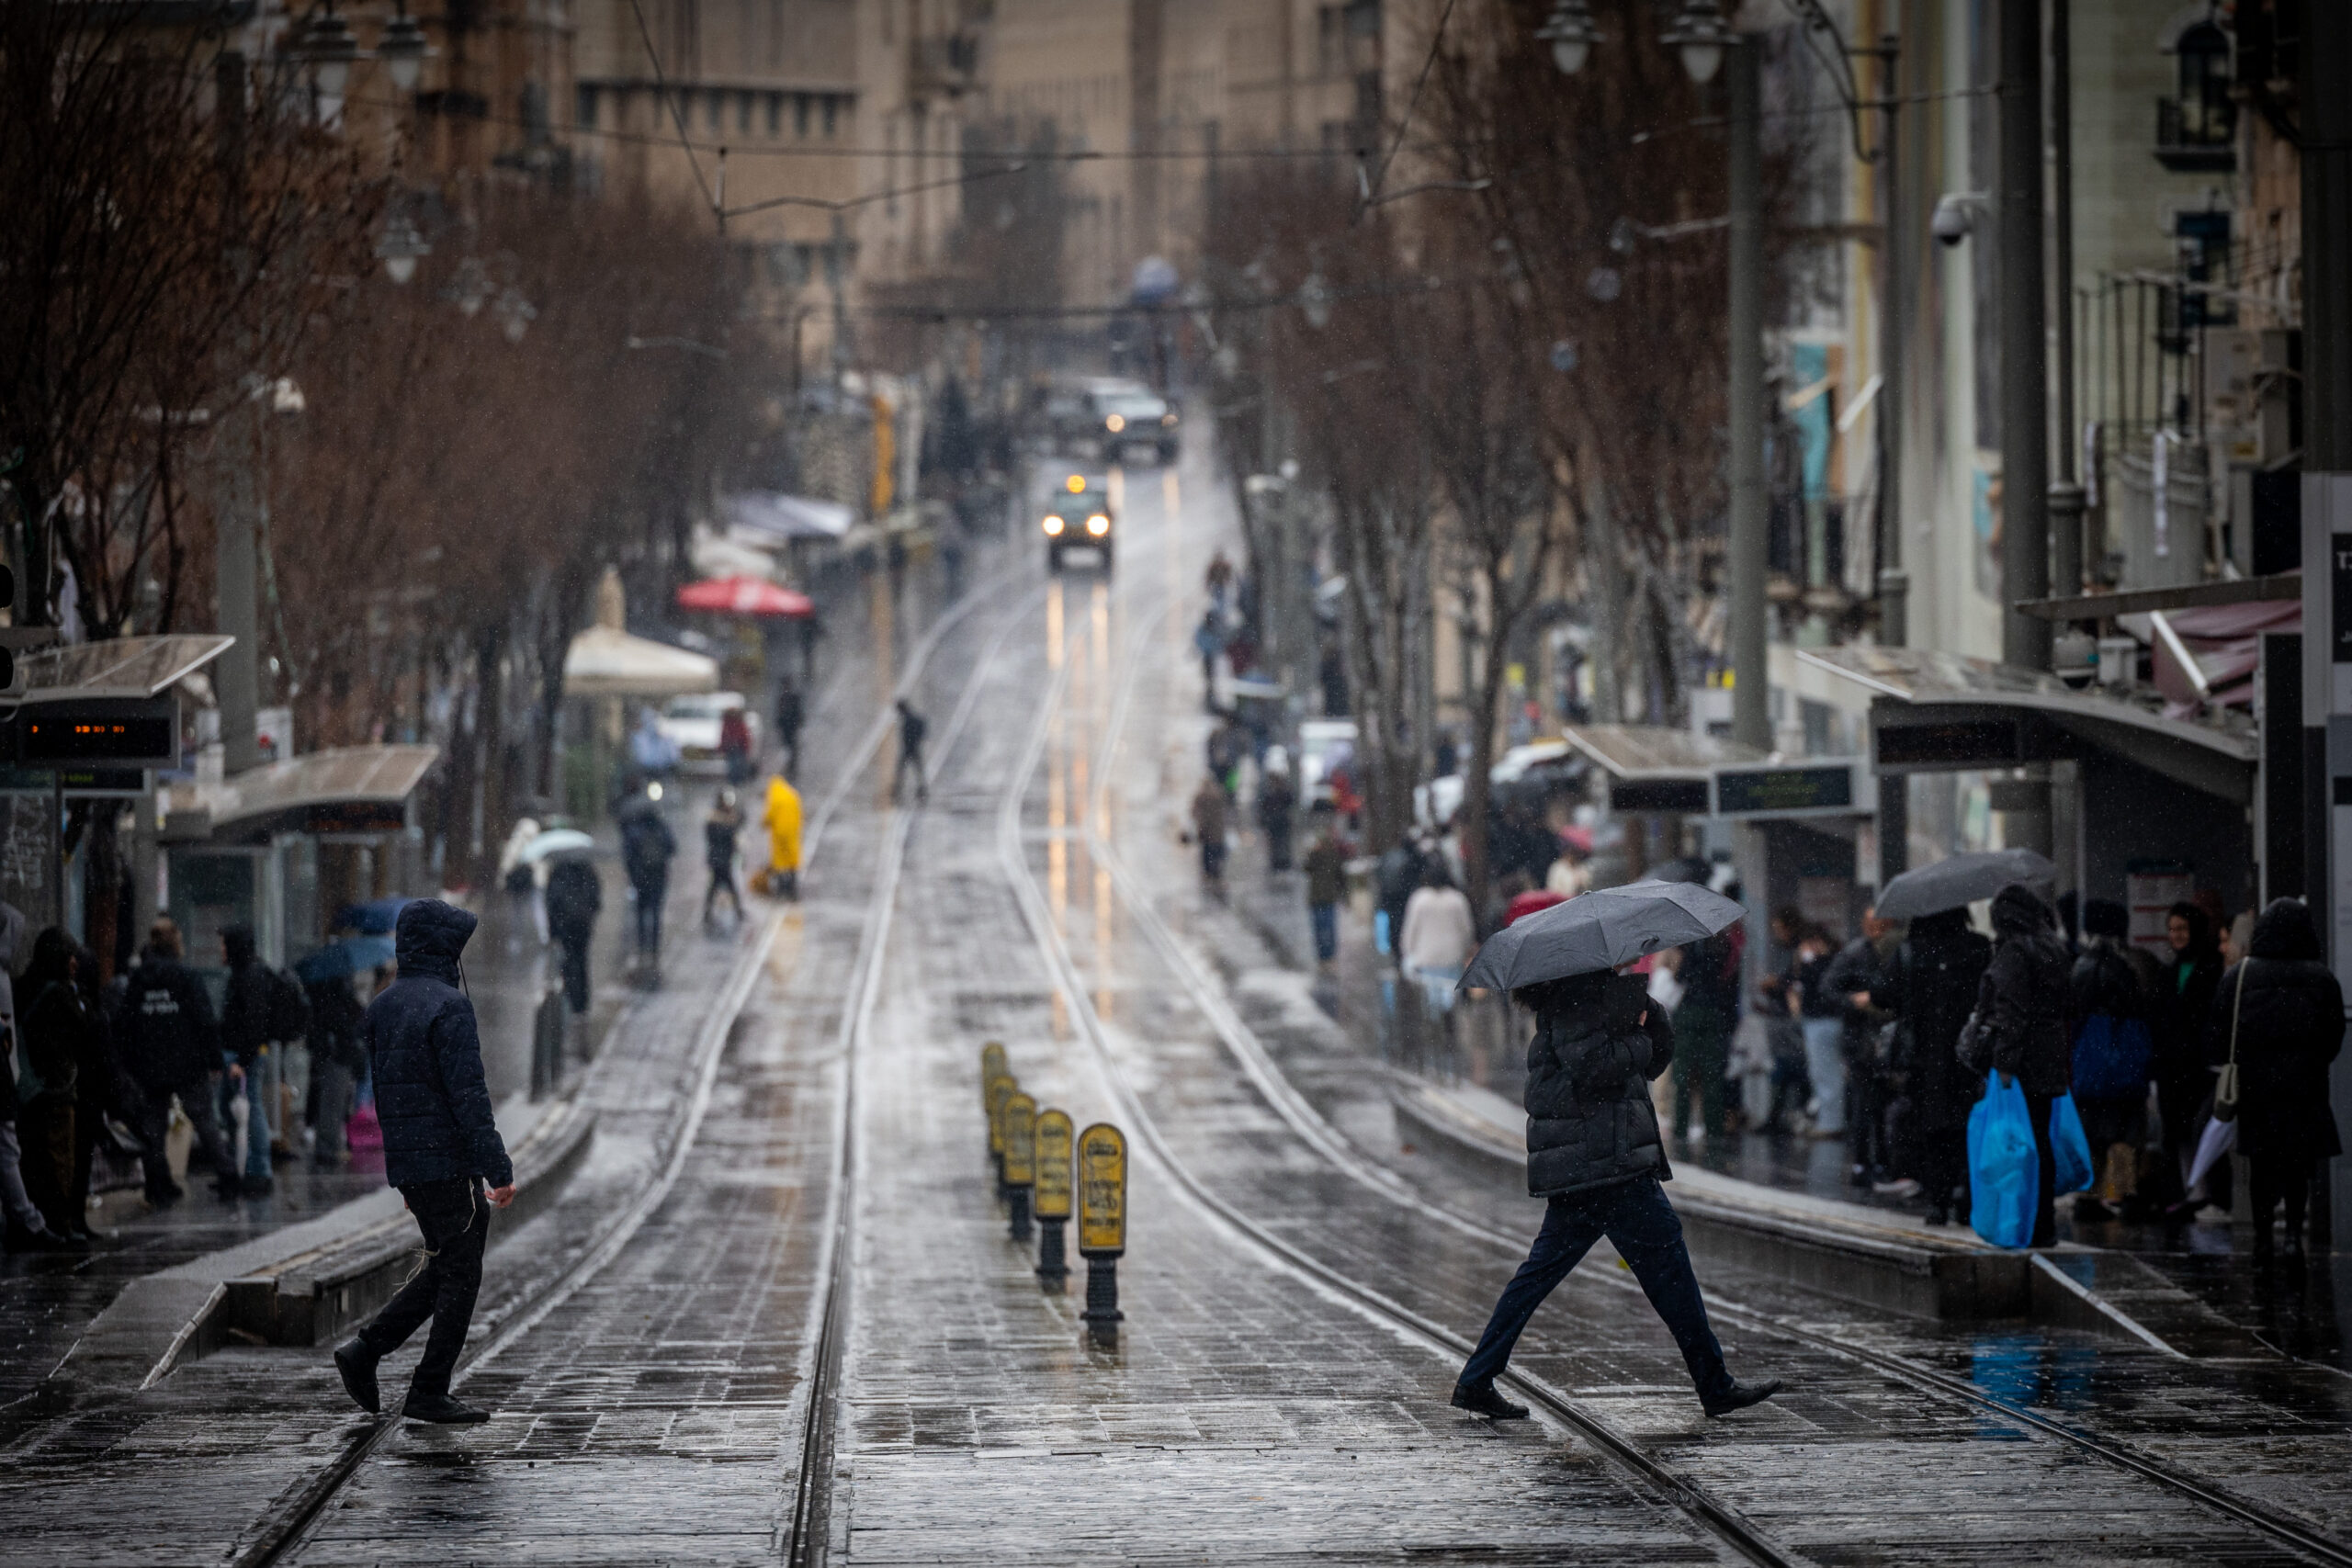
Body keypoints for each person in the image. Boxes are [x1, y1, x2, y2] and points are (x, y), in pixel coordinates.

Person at [1453, 966, 1781, 1421]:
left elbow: (1648, 1064)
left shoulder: (1596, 999)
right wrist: (1637, 1036)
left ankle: (1476, 1378)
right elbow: (1596, 1067)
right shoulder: (1575, 1001)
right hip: (1606, 1163)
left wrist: (1650, 1018)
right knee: (1669, 1269)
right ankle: (1714, 1384)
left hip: (1594, 1162)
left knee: (1539, 1276)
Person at [334, 900, 515, 1425]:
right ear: (443, 949)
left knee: (446, 1265)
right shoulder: (449, 1007)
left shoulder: (385, 1005)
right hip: (449, 1164)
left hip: (413, 1163)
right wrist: (497, 1168)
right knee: (461, 1273)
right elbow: (469, 1098)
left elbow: (388, 1096)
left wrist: (403, 1169)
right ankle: (428, 1388)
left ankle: (367, 1351)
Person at [2206, 898, 2343, 1265]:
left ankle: (2263, 1238)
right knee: (2298, 1165)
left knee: (2262, 1166)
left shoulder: (2241, 976)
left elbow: (2220, 1031)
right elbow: (2333, 1037)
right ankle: (2294, 1236)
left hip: (2257, 1089)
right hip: (2304, 1089)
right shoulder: (2321, 977)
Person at [1963, 884, 2074, 1247]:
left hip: (2024, 1063)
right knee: (2039, 1140)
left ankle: (2020, 1223)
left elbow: (2012, 1013)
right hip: (2051, 1058)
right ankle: (2043, 1225)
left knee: (2014, 1146)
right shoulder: (2052, 949)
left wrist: (2005, 1065)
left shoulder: (2014, 952)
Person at [1873, 907, 1993, 1225]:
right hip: (1970, 1053)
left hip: (1925, 1054)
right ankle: (1967, 1200)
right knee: (1970, 1125)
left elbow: (1882, 995)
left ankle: (1937, 1201)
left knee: (1932, 1127)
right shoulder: (1980, 947)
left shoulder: (1910, 951)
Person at [120, 919, 235, 1205]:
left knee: (153, 1128)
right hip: (187, 1063)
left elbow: (126, 1024)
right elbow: (204, 1019)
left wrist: (131, 1062)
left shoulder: (138, 979)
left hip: (150, 1065)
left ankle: (158, 1184)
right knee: (205, 1121)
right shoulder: (186, 976)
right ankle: (228, 1176)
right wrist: (214, 1059)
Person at [2066, 899, 2155, 1221]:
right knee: (2127, 1127)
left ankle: (2089, 1196)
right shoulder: (2135, 964)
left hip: (2090, 1060)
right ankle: (2123, 1194)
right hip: (2127, 1058)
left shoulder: (2080, 966)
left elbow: (2072, 1016)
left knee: (2091, 1128)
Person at [14, 929, 89, 1241]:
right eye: (71, 956)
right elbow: (83, 1034)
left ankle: (36, 1219)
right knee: (61, 1158)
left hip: (27, 1090)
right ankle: (60, 1223)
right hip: (56, 1090)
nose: (75, 963)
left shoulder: (22, 986)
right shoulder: (61, 994)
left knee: (31, 1157)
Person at [2155, 899, 2225, 1213]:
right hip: (2174, 1066)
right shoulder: (2169, 971)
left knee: (2200, 1128)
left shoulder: (2212, 968)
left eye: (2182, 928)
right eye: (2171, 930)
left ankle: (2206, 1193)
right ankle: (2190, 1191)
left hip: (2199, 1064)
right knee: (2179, 1131)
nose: (2176, 936)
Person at [1825, 908, 1900, 1185]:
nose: (1877, 931)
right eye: (1872, 925)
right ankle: (1862, 1161)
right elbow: (1829, 989)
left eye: (1882, 926)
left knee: (1881, 1104)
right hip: (1861, 1040)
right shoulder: (1854, 954)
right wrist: (1853, 1001)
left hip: (1888, 1039)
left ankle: (1882, 1159)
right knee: (1863, 1103)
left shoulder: (1895, 952)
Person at [219, 924, 278, 1195]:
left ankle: (259, 1170)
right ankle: (238, 1167)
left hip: (243, 1057)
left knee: (251, 1108)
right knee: (230, 1108)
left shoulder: (249, 976)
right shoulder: (242, 974)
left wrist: (241, 1061)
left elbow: (253, 1024)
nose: (220, 949)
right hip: (237, 1054)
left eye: (224, 944)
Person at [1671, 928, 1740, 1145]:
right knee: (1712, 1073)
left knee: (1682, 1073)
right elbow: (1727, 977)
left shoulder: (1691, 944)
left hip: (1690, 1010)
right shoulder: (1723, 945)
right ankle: (1714, 1128)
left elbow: (1682, 976)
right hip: (1714, 1012)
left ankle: (1681, 1128)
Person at [1398, 864, 1476, 1031]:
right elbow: (1467, 929)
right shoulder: (1457, 899)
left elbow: (1410, 929)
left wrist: (1407, 951)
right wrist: (1466, 948)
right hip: (1452, 956)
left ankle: (1435, 1027)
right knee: (1450, 995)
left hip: (1427, 957)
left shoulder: (1419, 899)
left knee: (1431, 997)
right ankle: (1449, 1026)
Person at [307, 968, 368, 1166]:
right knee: (333, 1103)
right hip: (337, 1056)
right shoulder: (335, 1000)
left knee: (331, 1103)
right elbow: (344, 1025)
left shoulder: (326, 997)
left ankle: (327, 1148)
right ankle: (327, 1150)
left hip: (335, 1055)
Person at [618, 791, 677, 977]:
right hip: (658, 878)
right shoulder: (662, 828)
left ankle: (643, 947)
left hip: (640, 879)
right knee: (656, 912)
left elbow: (627, 854)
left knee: (640, 912)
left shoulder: (634, 830)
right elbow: (672, 848)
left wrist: (633, 873)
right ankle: (654, 948)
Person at [545, 856, 603, 1015]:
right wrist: (590, 914)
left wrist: (553, 930)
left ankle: (572, 998)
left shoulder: (558, 872)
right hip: (583, 925)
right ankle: (582, 1002)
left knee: (569, 960)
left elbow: (552, 901)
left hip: (566, 925)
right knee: (582, 960)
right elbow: (596, 899)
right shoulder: (588, 870)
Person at [1301, 811, 1351, 972]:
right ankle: (1322, 959)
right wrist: (1313, 854)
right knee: (1319, 930)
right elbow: (1306, 868)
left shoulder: (1333, 856)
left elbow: (1340, 876)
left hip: (1328, 898)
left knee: (1328, 930)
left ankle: (1330, 958)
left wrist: (1344, 895)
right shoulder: (1315, 856)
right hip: (1316, 899)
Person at [704, 788, 744, 927]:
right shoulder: (716, 820)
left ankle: (708, 912)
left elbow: (742, 819)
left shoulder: (726, 818)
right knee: (724, 885)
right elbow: (718, 837)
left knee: (716, 885)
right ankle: (738, 911)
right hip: (720, 859)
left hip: (722, 858)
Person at [763, 770, 803, 899]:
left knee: (780, 862)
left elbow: (770, 815)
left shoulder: (775, 797)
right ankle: (793, 890)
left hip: (779, 834)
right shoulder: (792, 794)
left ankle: (781, 890)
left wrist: (764, 823)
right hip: (792, 833)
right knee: (792, 860)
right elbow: (800, 813)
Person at [1255, 750, 1297, 873]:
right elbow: (1263, 804)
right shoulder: (1267, 789)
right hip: (1273, 821)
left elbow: (1290, 800)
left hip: (1281, 821)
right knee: (1274, 843)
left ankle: (1284, 863)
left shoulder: (1283, 789)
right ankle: (1276, 863)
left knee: (1283, 842)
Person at [1191, 773, 1230, 888]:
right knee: (1217, 855)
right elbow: (1224, 812)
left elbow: (1195, 813)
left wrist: (1201, 827)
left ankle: (1210, 876)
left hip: (1207, 833)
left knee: (1207, 856)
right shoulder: (1218, 794)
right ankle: (1217, 876)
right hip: (1217, 833)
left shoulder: (1201, 796)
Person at [893, 697, 929, 805]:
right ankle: (921, 789)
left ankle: (899, 789)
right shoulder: (912, 717)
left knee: (903, 768)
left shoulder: (909, 718)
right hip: (913, 746)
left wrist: (911, 740)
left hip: (910, 747)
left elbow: (910, 732)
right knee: (917, 769)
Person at [774, 676, 805, 780]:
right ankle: (789, 766)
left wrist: (798, 721)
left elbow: (798, 711)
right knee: (788, 747)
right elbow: (779, 712)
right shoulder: (782, 698)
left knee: (791, 747)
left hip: (791, 726)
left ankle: (791, 767)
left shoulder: (793, 697)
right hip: (786, 726)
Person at [718, 705, 754, 786]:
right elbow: (744, 735)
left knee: (736, 765)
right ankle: (736, 781)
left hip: (737, 748)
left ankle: (736, 781)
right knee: (735, 765)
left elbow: (743, 735)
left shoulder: (732, 723)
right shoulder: (733, 723)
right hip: (735, 748)